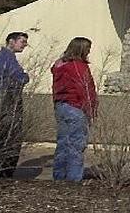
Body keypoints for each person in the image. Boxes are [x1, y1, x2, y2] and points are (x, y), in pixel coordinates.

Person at [51, 37, 98, 182]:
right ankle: (73, 178)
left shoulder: (60, 65)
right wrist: (91, 110)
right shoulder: (78, 66)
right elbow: (85, 89)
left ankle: (59, 176)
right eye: (88, 49)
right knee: (77, 144)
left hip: (61, 106)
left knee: (63, 143)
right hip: (75, 106)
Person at [0, 31, 30, 177]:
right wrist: (23, 77)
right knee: (9, 135)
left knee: (6, 134)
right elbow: (19, 78)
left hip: (7, 99)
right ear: (11, 41)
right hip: (8, 100)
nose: (24, 45)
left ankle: (0, 169)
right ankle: (2, 170)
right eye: (22, 41)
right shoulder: (5, 59)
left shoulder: (5, 58)